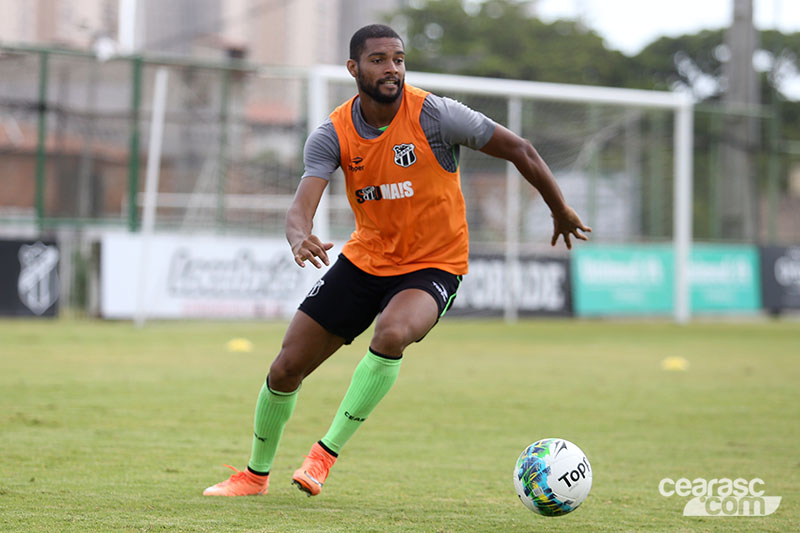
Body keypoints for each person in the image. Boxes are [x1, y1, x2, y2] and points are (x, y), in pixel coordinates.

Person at [203, 24, 591, 498]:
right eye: (379, 60)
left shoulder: (436, 116)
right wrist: (300, 236)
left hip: (434, 263)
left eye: (398, 59)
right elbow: (300, 205)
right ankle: (254, 477)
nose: (392, 69)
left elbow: (520, 149)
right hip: (366, 259)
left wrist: (559, 208)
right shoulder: (332, 133)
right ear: (354, 69)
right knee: (285, 367)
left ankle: (322, 456)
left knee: (391, 333)